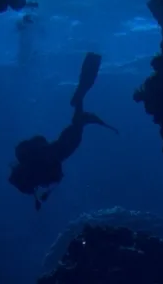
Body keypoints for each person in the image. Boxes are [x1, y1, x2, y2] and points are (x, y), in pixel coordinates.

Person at [8, 51, 113, 206]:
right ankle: (82, 102)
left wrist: (43, 196)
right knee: (77, 123)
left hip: (62, 148)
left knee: (77, 124)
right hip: (59, 147)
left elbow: (56, 177)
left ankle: (82, 101)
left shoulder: (38, 169)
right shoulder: (29, 161)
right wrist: (42, 197)